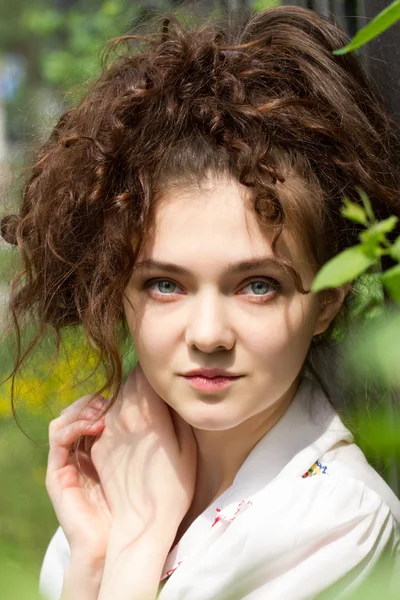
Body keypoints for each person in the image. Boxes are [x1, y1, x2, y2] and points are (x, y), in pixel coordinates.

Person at [1, 4, 400, 599]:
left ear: (326, 303)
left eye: (257, 285)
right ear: (120, 291)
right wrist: (92, 554)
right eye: (165, 284)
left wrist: (137, 542)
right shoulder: (115, 473)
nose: (208, 333)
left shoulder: (338, 522)